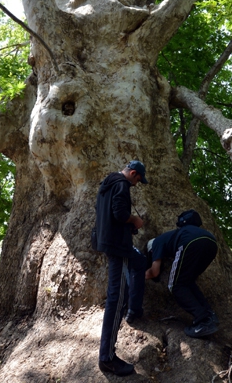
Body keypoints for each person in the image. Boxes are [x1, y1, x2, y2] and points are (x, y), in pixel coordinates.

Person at [95, 160, 148, 377]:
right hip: (119, 247)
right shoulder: (122, 185)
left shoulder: (107, 183)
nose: (136, 184)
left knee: (140, 262)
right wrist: (134, 220)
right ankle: (107, 358)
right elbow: (118, 213)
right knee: (116, 299)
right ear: (133, 173)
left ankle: (134, 308)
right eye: (138, 180)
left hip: (107, 243)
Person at [145, 210, 218, 338]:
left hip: (190, 242)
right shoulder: (180, 232)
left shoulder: (156, 243)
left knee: (175, 285)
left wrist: (139, 276)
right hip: (211, 243)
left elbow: (154, 271)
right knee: (188, 282)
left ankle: (202, 319)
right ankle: (210, 315)